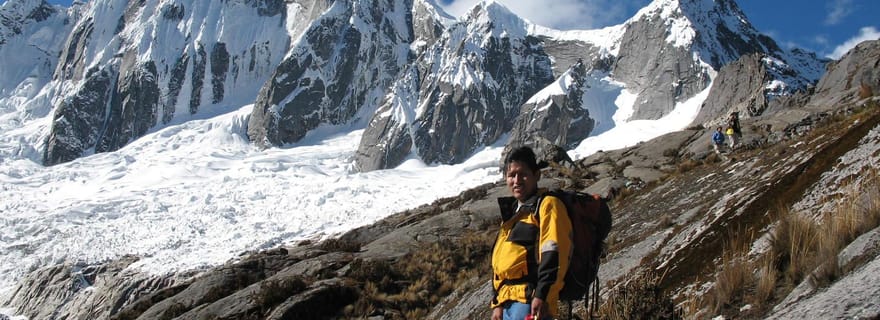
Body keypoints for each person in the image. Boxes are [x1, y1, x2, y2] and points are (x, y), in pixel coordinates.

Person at [491, 146, 572, 320]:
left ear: (537, 175)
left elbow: (555, 254)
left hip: (530, 302)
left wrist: (543, 296)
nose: (517, 180)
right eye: (512, 175)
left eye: (523, 174)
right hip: (507, 303)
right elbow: (499, 265)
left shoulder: (548, 205)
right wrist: (497, 303)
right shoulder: (512, 213)